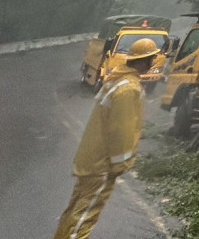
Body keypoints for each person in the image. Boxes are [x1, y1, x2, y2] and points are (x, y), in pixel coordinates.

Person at [53, 37, 159, 239]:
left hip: (90, 159)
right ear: (144, 61)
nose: (153, 63)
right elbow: (122, 130)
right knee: (85, 217)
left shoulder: (116, 80)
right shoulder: (129, 88)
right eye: (152, 58)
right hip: (102, 165)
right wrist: (121, 164)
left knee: (74, 211)